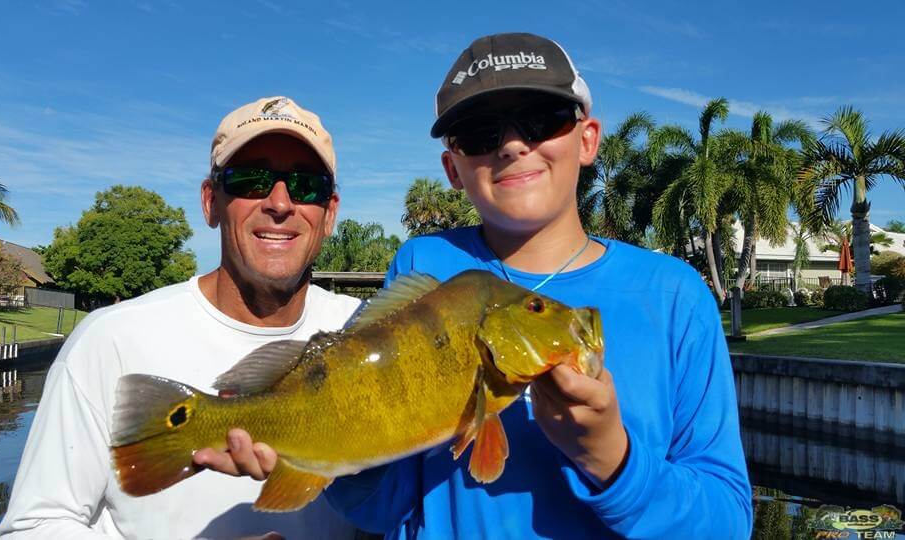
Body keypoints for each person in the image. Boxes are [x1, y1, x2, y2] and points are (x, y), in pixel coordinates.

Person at [213, 33, 753, 539]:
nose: (514, 146)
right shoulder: (425, 263)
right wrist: (322, 454)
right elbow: (385, 507)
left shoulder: (674, 297)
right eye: (479, 134)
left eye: (542, 120)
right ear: (454, 168)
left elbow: (729, 521)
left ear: (587, 139)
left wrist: (613, 458)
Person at [0, 97, 362, 539]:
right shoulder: (112, 339)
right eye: (250, 179)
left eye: (306, 185)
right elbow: (32, 527)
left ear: (330, 213)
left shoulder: (366, 331)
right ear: (211, 202)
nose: (280, 202)